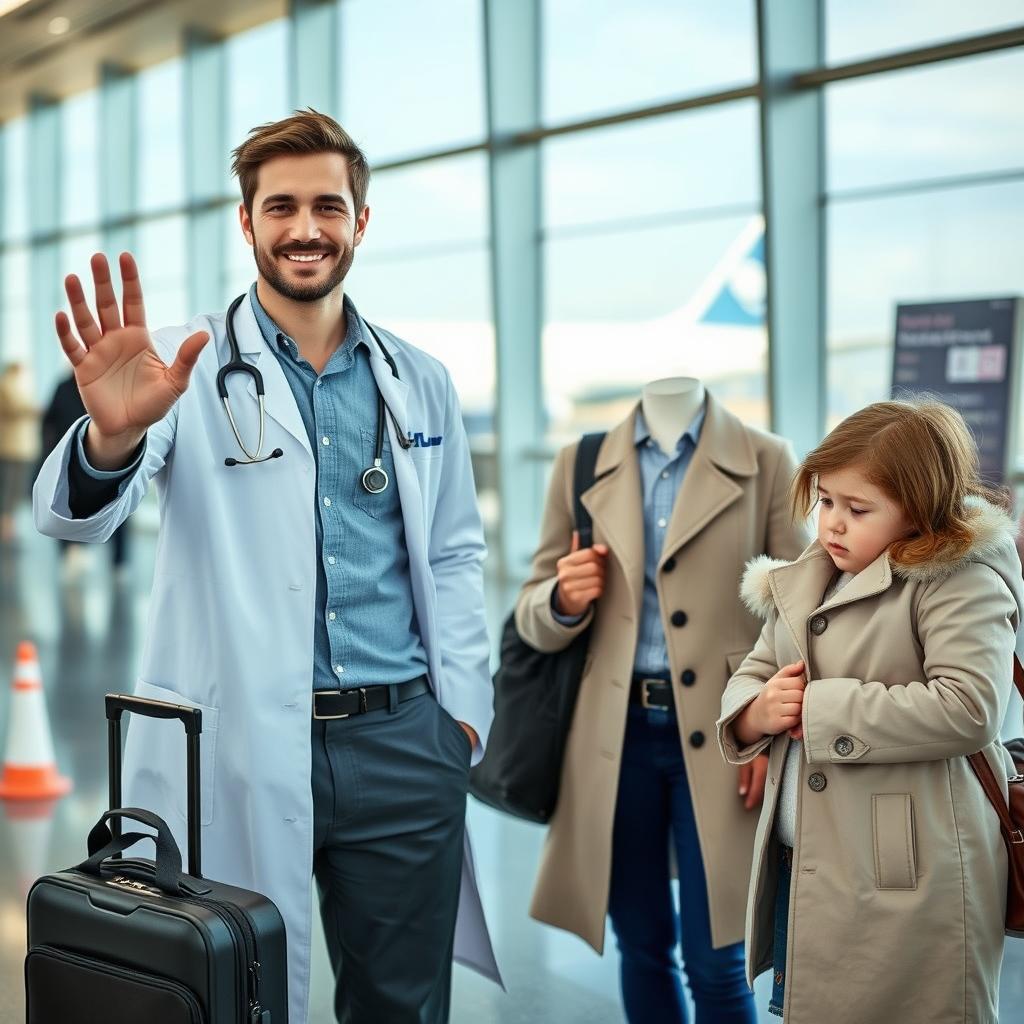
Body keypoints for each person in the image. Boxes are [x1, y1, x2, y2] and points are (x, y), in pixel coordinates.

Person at [34, 109, 498, 1024]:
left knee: (403, 1006)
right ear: (247, 222)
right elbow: (77, 520)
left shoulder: (421, 378)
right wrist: (110, 437)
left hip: (404, 741)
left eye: (329, 205)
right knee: (232, 996)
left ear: (360, 222)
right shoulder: (187, 362)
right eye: (279, 206)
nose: (305, 228)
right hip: (237, 740)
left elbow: (453, 553)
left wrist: (461, 723)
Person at [514, 376, 809, 1024]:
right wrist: (562, 599)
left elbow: (801, 615)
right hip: (611, 738)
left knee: (717, 959)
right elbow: (531, 613)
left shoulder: (766, 458)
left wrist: (764, 730)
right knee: (641, 944)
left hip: (727, 735)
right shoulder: (581, 462)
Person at [717, 399, 1021, 1023]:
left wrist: (820, 709)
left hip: (908, 874)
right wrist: (757, 709)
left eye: (858, 510)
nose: (832, 524)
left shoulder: (960, 578)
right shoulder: (813, 574)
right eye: (826, 500)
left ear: (921, 508)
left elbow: (970, 706)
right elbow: (754, 670)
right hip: (807, 869)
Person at [41, 372, 130, 575]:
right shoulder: (63, 387)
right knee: (64, 508)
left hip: (104, 461)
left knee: (115, 508)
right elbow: (49, 420)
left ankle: (119, 562)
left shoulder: (105, 387)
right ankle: (70, 553)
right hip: (68, 459)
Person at [0, 361, 39, 543]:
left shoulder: (17, 385)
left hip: (21, 448)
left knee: (17, 488)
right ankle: (6, 525)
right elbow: (17, 408)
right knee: (10, 488)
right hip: (12, 448)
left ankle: (10, 524)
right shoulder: (7, 385)